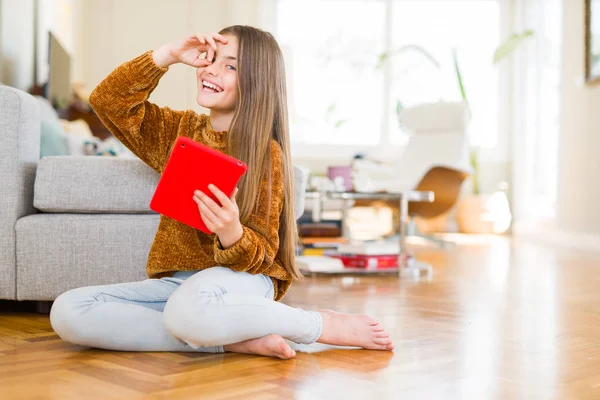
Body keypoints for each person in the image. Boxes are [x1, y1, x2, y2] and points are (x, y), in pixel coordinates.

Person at [50, 25, 394, 359]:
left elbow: (263, 259)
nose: (210, 70)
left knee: (187, 311)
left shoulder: (266, 154)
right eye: (210, 58)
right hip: (179, 286)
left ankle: (318, 325)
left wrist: (231, 232)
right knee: (69, 310)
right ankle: (228, 341)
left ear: (255, 83)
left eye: (229, 65)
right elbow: (107, 101)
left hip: (242, 281)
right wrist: (167, 55)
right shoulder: (178, 131)